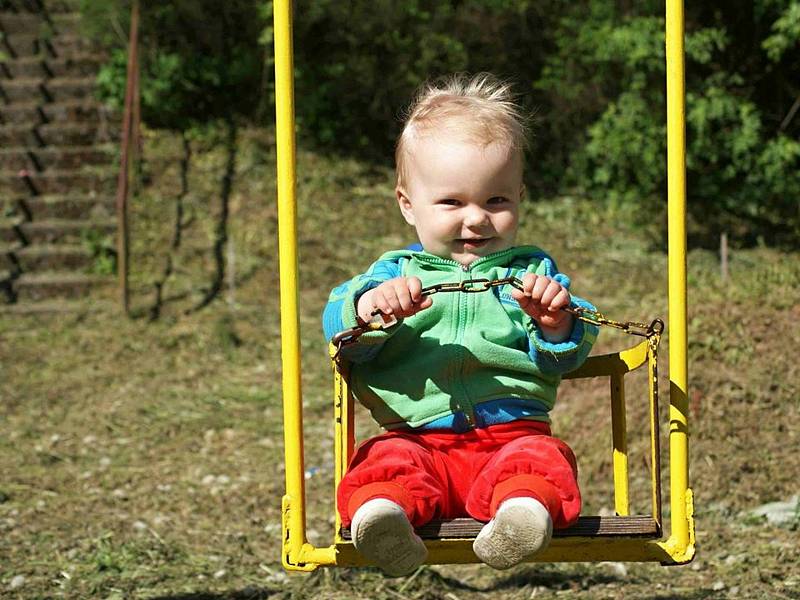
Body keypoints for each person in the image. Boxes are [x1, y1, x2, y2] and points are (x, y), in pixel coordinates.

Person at [322, 73, 599, 576]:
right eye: (452, 202)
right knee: (385, 466)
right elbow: (339, 324)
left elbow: (570, 347)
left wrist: (556, 322)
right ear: (408, 204)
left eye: (496, 201)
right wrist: (371, 311)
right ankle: (384, 520)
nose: (475, 219)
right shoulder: (394, 274)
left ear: (520, 197)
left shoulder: (532, 272)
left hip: (513, 432)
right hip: (416, 436)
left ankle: (522, 517)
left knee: (542, 461)